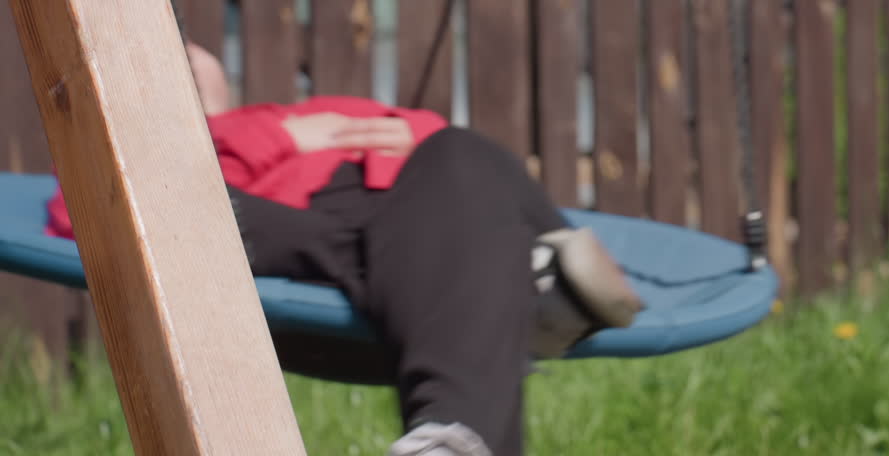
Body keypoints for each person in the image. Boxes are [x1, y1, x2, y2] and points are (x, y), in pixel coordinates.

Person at [45, 43, 645, 456]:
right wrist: (278, 135)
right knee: (171, 200)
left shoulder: (325, 113)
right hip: (311, 233)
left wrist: (413, 137)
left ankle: (513, 293)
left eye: (195, 57)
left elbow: (440, 148)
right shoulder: (209, 149)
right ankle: (536, 287)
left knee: (461, 154)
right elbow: (87, 203)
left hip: (431, 211)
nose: (184, 57)